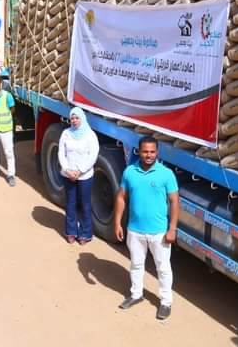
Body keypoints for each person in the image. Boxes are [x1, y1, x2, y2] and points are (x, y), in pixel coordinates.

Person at [114, 136, 179, 321]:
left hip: (159, 232)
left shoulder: (166, 174)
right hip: (134, 230)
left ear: (157, 152)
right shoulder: (129, 172)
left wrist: (172, 229)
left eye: (152, 152)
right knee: (136, 264)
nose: (148, 155)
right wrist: (117, 223)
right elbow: (121, 197)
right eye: (145, 151)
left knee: (163, 268)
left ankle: (165, 302)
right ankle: (136, 294)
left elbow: (174, 202)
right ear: (139, 151)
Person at [58, 107, 99, 245]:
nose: (74, 121)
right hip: (68, 174)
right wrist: (67, 170)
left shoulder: (90, 135)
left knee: (85, 204)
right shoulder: (66, 133)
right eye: (72, 118)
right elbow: (61, 153)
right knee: (70, 203)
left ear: (82, 118)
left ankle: (85, 234)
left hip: (84, 176)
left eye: (77, 118)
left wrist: (80, 171)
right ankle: (71, 232)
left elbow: (93, 155)